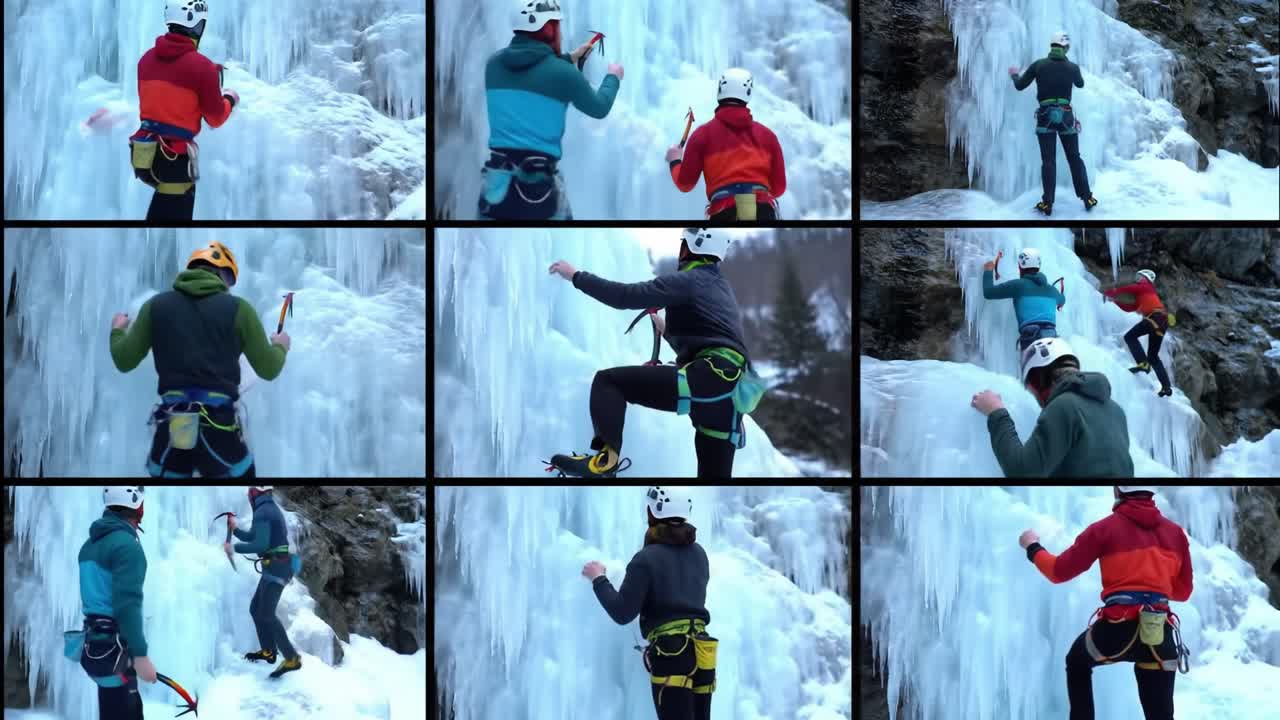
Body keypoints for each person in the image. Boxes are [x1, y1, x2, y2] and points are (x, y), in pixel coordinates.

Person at [547, 230, 761, 478]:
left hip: (708, 379)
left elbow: (623, 296)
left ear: (690, 247)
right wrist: (668, 332)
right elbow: (715, 337)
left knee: (609, 381)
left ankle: (606, 460)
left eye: (683, 244)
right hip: (730, 399)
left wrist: (575, 276)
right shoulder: (722, 287)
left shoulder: (689, 280)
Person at [109, 241, 290, 478]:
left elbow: (124, 360)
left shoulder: (155, 306)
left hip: (173, 428)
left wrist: (117, 331)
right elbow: (268, 368)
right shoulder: (239, 309)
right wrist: (280, 347)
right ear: (224, 275)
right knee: (241, 475)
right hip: (221, 428)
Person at [1018, 486, 1192, 720]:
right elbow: (1183, 592)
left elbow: (1058, 572)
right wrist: (1153, 579)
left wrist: (1033, 547)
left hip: (1116, 630)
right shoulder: (1176, 534)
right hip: (1158, 634)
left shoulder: (1104, 529)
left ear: (1118, 491)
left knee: (1077, 662)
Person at [479, 0, 623, 220]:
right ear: (547, 28)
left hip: (496, 188)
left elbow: (532, 70)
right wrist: (613, 76)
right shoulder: (564, 74)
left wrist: (570, 57)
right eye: (556, 25)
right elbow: (599, 107)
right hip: (539, 193)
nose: (560, 32)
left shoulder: (493, 65)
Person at [584, 487, 717, 720]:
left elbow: (622, 612)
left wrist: (599, 579)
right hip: (703, 651)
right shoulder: (699, 554)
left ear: (653, 512)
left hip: (672, 653)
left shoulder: (646, 558)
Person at [130, 0, 240, 221]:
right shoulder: (203, 67)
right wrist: (229, 98)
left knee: (161, 209)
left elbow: (162, 103)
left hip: (144, 156)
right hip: (175, 161)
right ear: (196, 25)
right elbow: (216, 118)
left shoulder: (145, 60)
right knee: (174, 211)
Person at [971, 337, 1134, 477]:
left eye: (1032, 386)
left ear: (1039, 378)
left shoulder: (1064, 406)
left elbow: (1021, 472)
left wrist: (996, 412)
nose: (1036, 397)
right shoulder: (1116, 410)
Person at [76, 487, 156, 719]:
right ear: (136, 506)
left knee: (112, 709)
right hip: (116, 652)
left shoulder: (89, 545)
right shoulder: (127, 546)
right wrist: (140, 656)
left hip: (94, 649)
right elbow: (127, 605)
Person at [667, 68, 787, 222]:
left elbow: (685, 184)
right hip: (762, 210)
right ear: (748, 93)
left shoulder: (702, 135)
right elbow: (779, 188)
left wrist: (675, 161)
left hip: (724, 210)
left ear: (720, 90)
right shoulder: (768, 136)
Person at [1009, 31, 1096, 216]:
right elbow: (1080, 84)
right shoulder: (1072, 67)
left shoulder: (1039, 65)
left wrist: (1015, 75)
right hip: (1066, 116)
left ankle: (1047, 203)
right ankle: (1087, 197)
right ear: (1065, 47)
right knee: (1074, 157)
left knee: (1048, 161)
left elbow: (1019, 86)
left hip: (1045, 116)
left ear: (1052, 46)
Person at [228, 486, 302, 679]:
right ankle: (269, 650)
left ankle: (292, 658)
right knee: (256, 609)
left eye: (249, 494)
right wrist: (235, 530)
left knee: (267, 614)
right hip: (275, 567)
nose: (248, 497)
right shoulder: (268, 508)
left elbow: (259, 545)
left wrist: (233, 548)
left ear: (255, 494)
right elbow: (254, 536)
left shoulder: (263, 511)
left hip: (277, 568)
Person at [1104, 269, 1173, 398]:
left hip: (1155, 318)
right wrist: (1114, 301)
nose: (1138, 279)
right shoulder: (1144, 294)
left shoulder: (1146, 286)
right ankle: (1166, 386)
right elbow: (1130, 308)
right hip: (1162, 322)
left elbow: (1129, 288)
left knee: (1130, 336)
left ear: (1145, 278)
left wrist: (1109, 292)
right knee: (1153, 356)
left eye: (1139, 277)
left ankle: (1143, 363)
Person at [982, 247, 1066, 350]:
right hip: (1052, 338)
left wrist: (988, 271)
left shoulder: (1018, 285)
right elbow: (1062, 300)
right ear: (1038, 267)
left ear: (1020, 266)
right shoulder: (1052, 290)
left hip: (1031, 338)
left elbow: (989, 292)